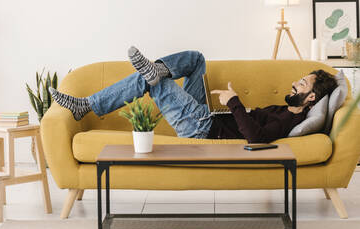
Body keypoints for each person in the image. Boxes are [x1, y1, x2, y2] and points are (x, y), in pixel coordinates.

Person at [49, 47, 338, 143]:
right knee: (196, 59)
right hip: (206, 116)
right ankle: (158, 70)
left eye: (301, 85)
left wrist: (234, 101)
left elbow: (256, 138)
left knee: (153, 82)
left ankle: (86, 105)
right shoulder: (285, 109)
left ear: (311, 98)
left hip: (201, 128)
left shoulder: (288, 122)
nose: (294, 85)